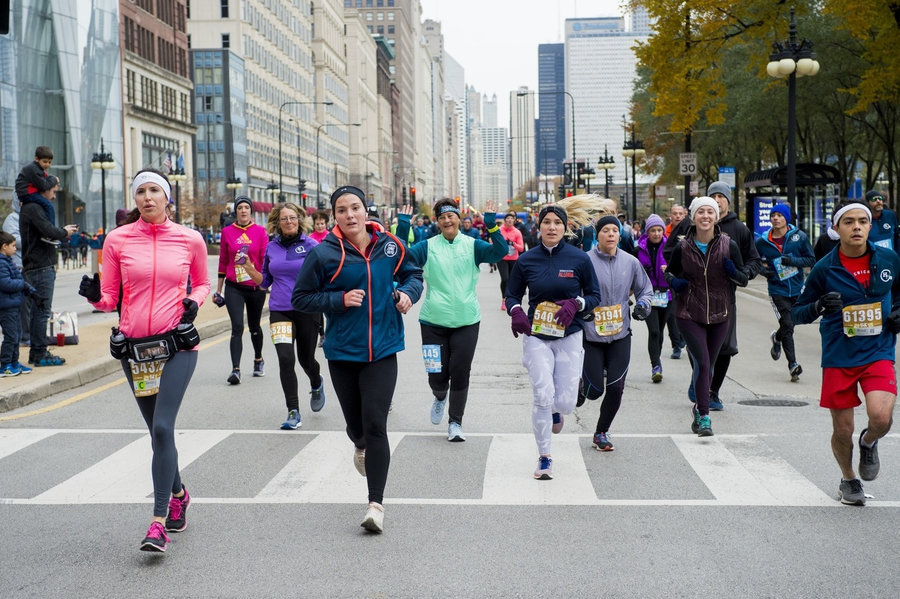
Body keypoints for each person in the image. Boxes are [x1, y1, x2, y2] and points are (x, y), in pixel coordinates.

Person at [78, 167, 210, 551]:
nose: (147, 197)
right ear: (134, 198)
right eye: (140, 192)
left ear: (167, 197)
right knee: (157, 432)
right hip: (136, 350)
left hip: (176, 344)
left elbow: (203, 282)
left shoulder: (190, 239)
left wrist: (194, 301)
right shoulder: (117, 240)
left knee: (164, 427)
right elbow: (109, 298)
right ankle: (179, 494)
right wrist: (94, 296)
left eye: (154, 190)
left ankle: (158, 522)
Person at [292, 185, 422, 533]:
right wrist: (338, 300)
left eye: (355, 208)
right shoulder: (323, 254)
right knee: (357, 426)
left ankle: (375, 505)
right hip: (343, 351)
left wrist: (408, 295)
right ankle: (359, 443)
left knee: (376, 423)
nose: (349, 215)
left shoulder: (390, 246)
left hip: (384, 348)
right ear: (334, 216)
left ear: (366, 211)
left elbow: (413, 274)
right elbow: (301, 298)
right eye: (341, 210)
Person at [792, 202, 900, 506]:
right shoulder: (824, 268)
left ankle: (869, 441)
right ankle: (849, 479)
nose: (856, 227)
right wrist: (818, 306)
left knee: (881, 417)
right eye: (849, 222)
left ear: (870, 226)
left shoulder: (889, 258)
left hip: (878, 350)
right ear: (836, 228)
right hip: (839, 354)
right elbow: (796, 313)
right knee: (842, 429)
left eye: (862, 221)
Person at [396, 199, 506, 441]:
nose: (447, 221)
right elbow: (400, 259)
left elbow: (500, 252)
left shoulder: (472, 245)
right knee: (436, 376)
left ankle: (455, 422)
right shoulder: (427, 247)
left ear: (458, 218)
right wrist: (403, 227)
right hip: (433, 321)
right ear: (438, 222)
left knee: (460, 372)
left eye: (451, 216)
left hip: (466, 321)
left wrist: (491, 225)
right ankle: (439, 396)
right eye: (442, 217)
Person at [506, 203, 601, 480]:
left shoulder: (579, 258)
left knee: (566, 403)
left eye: (557, 223)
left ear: (565, 227)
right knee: (542, 396)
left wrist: (576, 303)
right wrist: (516, 311)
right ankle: (545, 457)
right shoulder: (527, 260)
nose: (552, 227)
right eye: (546, 222)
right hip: (536, 336)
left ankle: (558, 412)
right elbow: (512, 295)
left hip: (569, 335)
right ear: (539, 226)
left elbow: (594, 295)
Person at [665, 197, 748, 436]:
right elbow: (669, 273)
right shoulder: (683, 247)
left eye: (710, 212)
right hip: (689, 312)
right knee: (702, 362)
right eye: (700, 212)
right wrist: (675, 283)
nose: (705, 216)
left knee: (709, 365)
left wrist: (733, 273)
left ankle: (698, 407)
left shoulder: (729, 245)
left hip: (720, 314)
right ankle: (704, 416)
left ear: (716, 217)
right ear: (693, 217)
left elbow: (744, 278)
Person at [244, 203, 323, 430]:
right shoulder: (272, 247)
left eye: (292, 218)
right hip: (280, 309)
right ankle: (293, 411)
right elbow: (265, 282)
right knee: (286, 359)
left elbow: (325, 275)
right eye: (284, 218)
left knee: (306, 360)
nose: (289, 222)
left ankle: (316, 382)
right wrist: (248, 267)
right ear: (277, 223)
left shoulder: (312, 245)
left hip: (307, 309)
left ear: (299, 220)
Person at [579, 215, 652, 452]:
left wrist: (643, 306)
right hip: (591, 334)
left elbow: (645, 289)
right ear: (597, 235)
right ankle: (580, 386)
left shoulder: (630, 262)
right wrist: (582, 310)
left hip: (620, 334)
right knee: (594, 391)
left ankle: (601, 432)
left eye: (614, 230)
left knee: (616, 387)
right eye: (605, 230)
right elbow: (572, 291)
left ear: (619, 235)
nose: (610, 234)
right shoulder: (585, 261)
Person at [703, 181, 761, 410]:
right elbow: (673, 252)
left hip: (726, 297)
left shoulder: (739, 229)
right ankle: (700, 382)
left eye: (721, 197)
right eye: (713, 196)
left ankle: (713, 392)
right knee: (699, 346)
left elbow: (754, 260)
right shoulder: (694, 224)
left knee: (724, 347)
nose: (717, 201)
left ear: (728, 201)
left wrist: (742, 273)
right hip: (696, 297)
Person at [20, 176, 77, 366]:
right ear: (44, 189)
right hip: (40, 266)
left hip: (36, 266)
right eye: (53, 191)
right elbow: (48, 230)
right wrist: (64, 232)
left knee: (38, 311)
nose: (54, 196)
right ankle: (39, 354)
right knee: (42, 312)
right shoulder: (34, 208)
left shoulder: (30, 208)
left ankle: (37, 352)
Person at [754, 203, 815, 381]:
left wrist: (792, 261)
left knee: (790, 324)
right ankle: (793, 365)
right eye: (773, 215)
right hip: (777, 290)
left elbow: (811, 259)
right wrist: (764, 272)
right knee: (787, 324)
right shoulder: (762, 242)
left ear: (786, 218)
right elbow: (753, 260)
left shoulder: (799, 237)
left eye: (780, 215)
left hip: (797, 288)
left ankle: (777, 337)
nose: (775, 218)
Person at [215, 196, 268, 384]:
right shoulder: (227, 232)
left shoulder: (260, 232)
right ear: (236, 211)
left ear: (251, 211)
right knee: (237, 326)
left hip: (255, 287)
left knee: (254, 326)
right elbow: (223, 261)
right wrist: (219, 290)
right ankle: (235, 370)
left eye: (246, 207)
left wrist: (265, 282)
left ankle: (258, 359)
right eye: (240, 208)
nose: (243, 210)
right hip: (234, 287)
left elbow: (265, 259)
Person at [635, 214, 672, 383]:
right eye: (653, 230)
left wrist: (669, 271)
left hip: (666, 295)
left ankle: (657, 360)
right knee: (654, 331)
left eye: (659, 230)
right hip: (648, 296)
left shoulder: (670, 248)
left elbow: (680, 269)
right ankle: (655, 365)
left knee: (660, 331)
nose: (656, 233)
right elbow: (632, 272)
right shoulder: (639, 250)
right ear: (647, 232)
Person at [0, 231, 36, 376]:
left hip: (13, 304)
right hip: (6, 307)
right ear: (4, 246)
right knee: (11, 336)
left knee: (17, 335)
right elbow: (5, 283)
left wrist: (30, 290)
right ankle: (5, 365)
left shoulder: (8, 261)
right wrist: (22, 284)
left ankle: (14, 362)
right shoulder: (1, 263)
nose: (15, 249)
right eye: (13, 246)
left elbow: (18, 279)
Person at [3, 197, 30, 347]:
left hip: (27, 265)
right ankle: (24, 337)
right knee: (22, 307)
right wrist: (33, 238)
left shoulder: (29, 216)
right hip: (19, 266)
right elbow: (13, 240)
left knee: (28, 305)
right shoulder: (12, 219)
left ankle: (25, 336)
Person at [497, 211, 525, 311]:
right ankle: (504, 299)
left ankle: (511, 298)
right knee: (505, 279)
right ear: (504, 220)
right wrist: (502, 244)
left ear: (514, 221)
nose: (509, 220)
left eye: (511, 219)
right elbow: (494, 243)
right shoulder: (499, 230)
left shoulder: (517, 232)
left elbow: (521, 248)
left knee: (512, 280)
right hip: (502, 258)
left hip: (513, 259)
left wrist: (513, 243)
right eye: (507, 218)